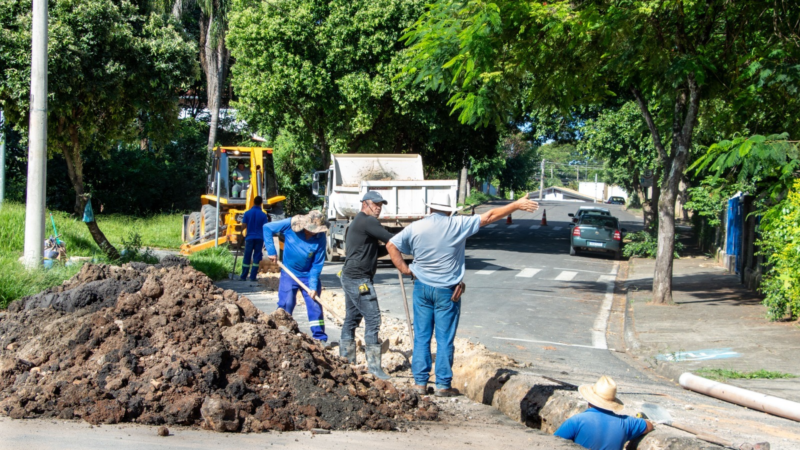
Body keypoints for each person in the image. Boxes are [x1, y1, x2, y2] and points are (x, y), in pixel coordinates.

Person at [387, 193, 539, 396]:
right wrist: (516, 205)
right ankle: (442, 385)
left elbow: (391, 245)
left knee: (422, 337)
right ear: (450, 210)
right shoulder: (456, 224)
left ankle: (420, 383)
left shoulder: (416, 227)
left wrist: (406, 269)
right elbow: (489, 216)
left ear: (429, 208)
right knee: (444, 339)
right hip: (446, 292)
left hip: (421, 288)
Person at [340, 191, 396, 379]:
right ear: (365, 203)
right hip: (358, 279)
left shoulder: (358, 222)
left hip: (350, 276)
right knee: (373, 318)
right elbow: (392, 239)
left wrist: (387, 249)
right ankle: (374, 368)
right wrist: (409, 236)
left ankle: (346, 362)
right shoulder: (368, 221)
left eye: (381, 204)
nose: (379, 207)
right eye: (376, 204)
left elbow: (372, 250)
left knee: (352, 318)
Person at [263, 210, 329, 343]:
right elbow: (267, 228)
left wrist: (313, 285)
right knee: (286, 303)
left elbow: (317, 265)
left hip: (308, 273)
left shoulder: (320, 238)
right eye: (311, 230)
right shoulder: (291, 224)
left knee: (314, 303)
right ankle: (280, 334)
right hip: (289, 272)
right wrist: (271, 251)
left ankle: (319, 338)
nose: (313, 233)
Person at [554, 376, 654, 450]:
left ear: (590, 400)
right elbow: (649, 426)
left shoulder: (576, 421)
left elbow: (553, 443)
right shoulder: (626, 423)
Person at [239, 196, 270, 281]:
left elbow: (244, 225)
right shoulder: (263, 215)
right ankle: (253, 277)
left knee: (247, 256)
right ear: (261, 203)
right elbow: (265, 228)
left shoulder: (247, 213)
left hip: (249, 238)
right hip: (259, 239)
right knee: (256, 257)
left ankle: (243, 276)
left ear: (253, 202)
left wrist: (240, 235)